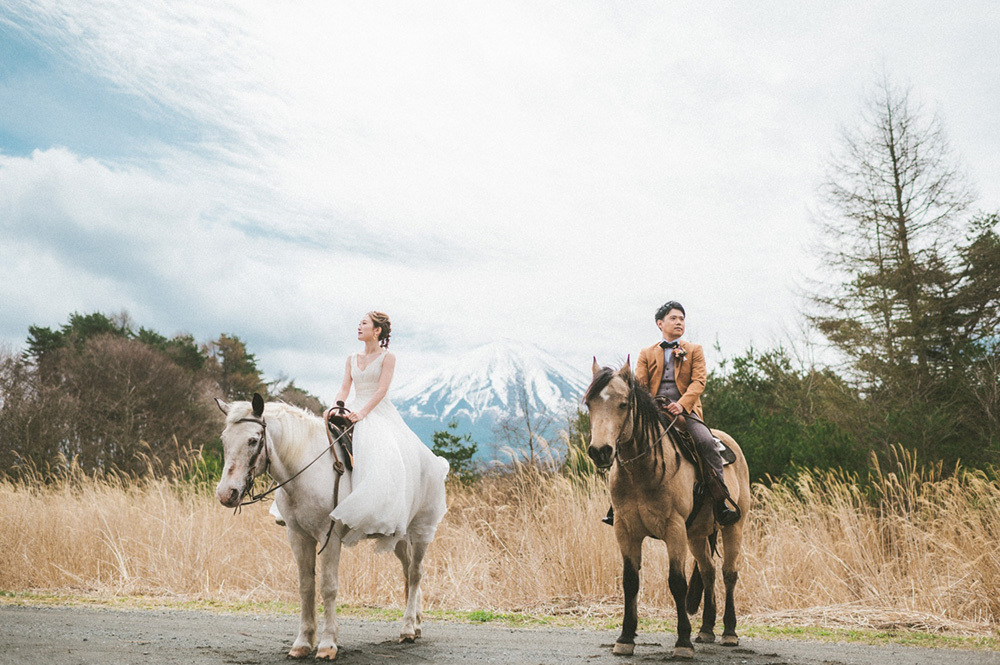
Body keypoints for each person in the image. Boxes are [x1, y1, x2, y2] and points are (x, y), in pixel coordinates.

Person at [603, 301, 739, 527]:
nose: (679, 322)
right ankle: (616, 505)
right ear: (660, 323)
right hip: (654, 413)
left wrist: (682, 405)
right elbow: (641, 386)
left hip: (687, 412)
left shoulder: (694, 350)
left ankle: (720, 500)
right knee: (625, 441)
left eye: (682, 319)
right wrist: (652, 409)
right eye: (673, 318)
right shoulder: (646, 353)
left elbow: (699, 382)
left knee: (706, 442)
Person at [326, 311, 450, 550]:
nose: (359, 326)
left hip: (377, 410)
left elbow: (381, 390)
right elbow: (344, 388)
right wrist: (337, 406)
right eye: (359, 323)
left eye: (364, 323)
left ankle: (379, 511)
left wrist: (363, 414)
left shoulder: (388, 357)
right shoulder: (351, 358)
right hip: (354, 406)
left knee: (382, 451)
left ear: (377, 330)